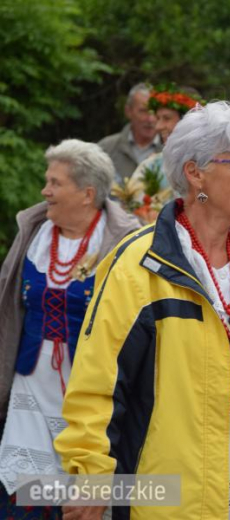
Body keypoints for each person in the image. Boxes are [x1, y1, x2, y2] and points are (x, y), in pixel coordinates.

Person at [54, 102, 230, 519]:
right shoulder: (138, 264)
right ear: (196, 173)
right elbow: (97, 383)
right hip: (172, 495)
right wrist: (91, 475)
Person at [0, 139, 140, 518]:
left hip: (89, 389)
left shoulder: (124, 240)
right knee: (25, 491)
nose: (45, 191)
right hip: (30, 384)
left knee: (79, 491)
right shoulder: (33, 231)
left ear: (86, 193)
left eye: (55, 183)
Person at [125, 84, 204, 222]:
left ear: (189, 121)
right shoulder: (150, 166)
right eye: (158, 118)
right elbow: (132, 213)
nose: (158, 126)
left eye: (166, 118)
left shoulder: (214, 165)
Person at [98, 83, 163, 181]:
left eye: (154, 111)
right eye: (143, 111)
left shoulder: (170, 151)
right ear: (128, 111)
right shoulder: (106, 149)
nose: (150, 119)